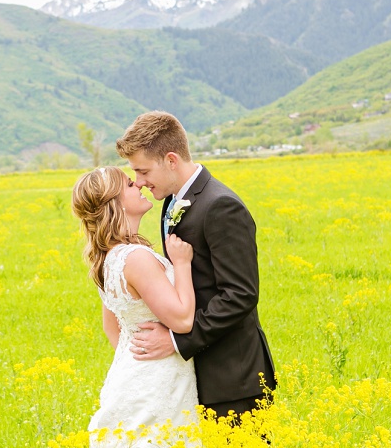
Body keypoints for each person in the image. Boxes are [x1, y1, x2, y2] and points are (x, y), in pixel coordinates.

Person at [6, 166, 200, 448]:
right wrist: (184, 265)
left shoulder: (110, 258)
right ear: (116, 203)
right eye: (130, 185)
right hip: (156, 383)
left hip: (129, 380)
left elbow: (116, 331)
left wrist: (136, 362)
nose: (140, 184)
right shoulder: (137, 258)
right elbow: (184, 318)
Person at [116, 110, 276, 420]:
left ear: (171, 160)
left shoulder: (221, 206)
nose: (140, 182)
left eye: (143, 171)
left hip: (233, 378)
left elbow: (240, 294)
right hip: (193, 379)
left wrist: (177, 340)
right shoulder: (170, 203)